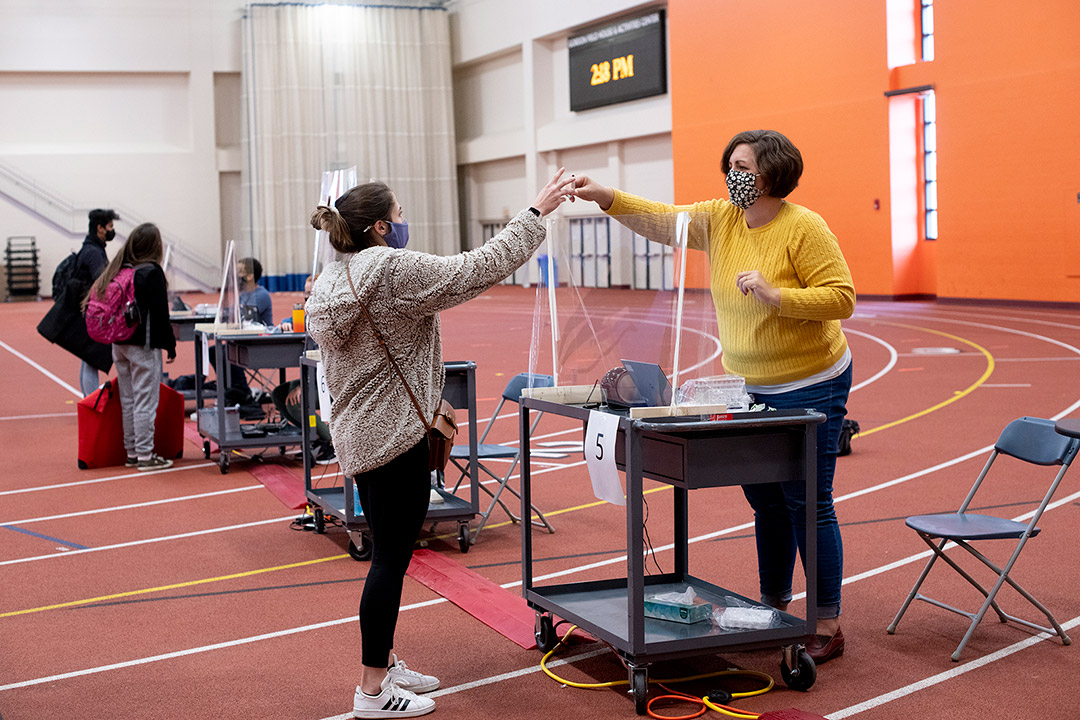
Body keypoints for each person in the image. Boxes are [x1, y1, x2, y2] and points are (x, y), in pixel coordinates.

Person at [570, 130, 855, 664]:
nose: (731, 175)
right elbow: (661, 218)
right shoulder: (719, 218)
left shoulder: (804, 227)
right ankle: (775, 603)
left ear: (770, 174)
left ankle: (827, 620)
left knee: (807, 502)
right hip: (749, 385)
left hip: (812, 382)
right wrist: (605, 195)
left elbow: (842, 298)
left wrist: (779, 296)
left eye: (741, 166)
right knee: (765, 498)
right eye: (728, 165)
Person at [305, 168, 574, 718]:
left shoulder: (335, 277)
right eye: (399, 215)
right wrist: (535, 214)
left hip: (361, 433)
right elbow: (476, 269)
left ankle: (385, 660)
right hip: (396, 437)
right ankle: (372, 691)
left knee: (388, 555)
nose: (406, 223)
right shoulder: (392, 269)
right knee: (389, 561)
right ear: (379, 227)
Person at [83, 223, 177, 471]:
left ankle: (133, 452)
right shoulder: (151, 272)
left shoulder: (122, 270)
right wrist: (170, 345)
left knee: (129, 400)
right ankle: (146, 456)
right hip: (142, 346)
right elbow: (160, 315)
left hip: (119, 344)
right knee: (145, 401)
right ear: (155, 246)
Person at [37, 208, 120, 395]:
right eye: (110, 227)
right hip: (91, 312)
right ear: (99, 228)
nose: (112, 231)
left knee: (88, 359)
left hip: (87, 310)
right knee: (93, 359)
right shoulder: (93, 253)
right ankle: (91, 402)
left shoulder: (90, 248)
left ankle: (87, 400)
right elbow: (101, 282)